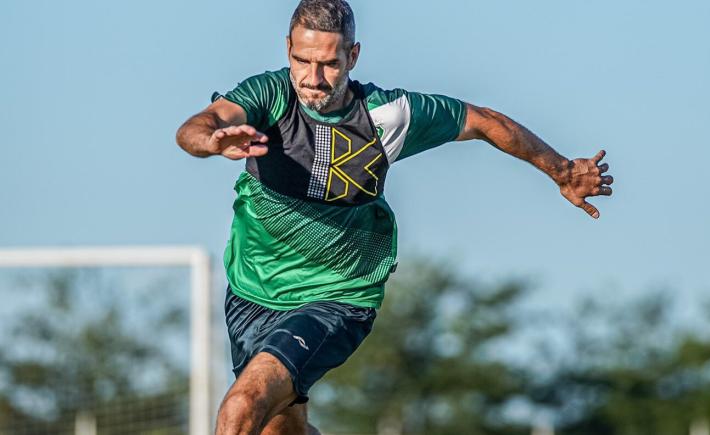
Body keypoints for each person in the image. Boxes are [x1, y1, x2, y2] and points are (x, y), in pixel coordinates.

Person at [176, 1, 614, 433]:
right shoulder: (267, 97)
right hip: (252, 289)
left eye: (329, 64)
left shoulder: (388, 115)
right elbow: (200, 124)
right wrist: (211, 141)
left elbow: (484, 121)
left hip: (338, 295)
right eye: (301, 60)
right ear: (287, 48)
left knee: (241, 405)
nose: (313, 78)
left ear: (353, 56)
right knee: (278, 427)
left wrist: (562, 171)